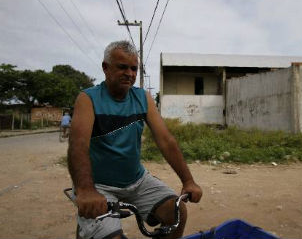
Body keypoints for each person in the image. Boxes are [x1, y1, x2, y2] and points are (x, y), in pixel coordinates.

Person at [67, 40, 203, 239]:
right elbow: (78, 146)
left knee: (177, 214)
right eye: (122, 67)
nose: (129, 74)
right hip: (99, 186)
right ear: (105, 68)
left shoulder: (142, 97)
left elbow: (166, 140)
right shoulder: (88, 99)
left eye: (134, 68)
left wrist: (188, 181)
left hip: (137, 181)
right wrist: (86, 190)